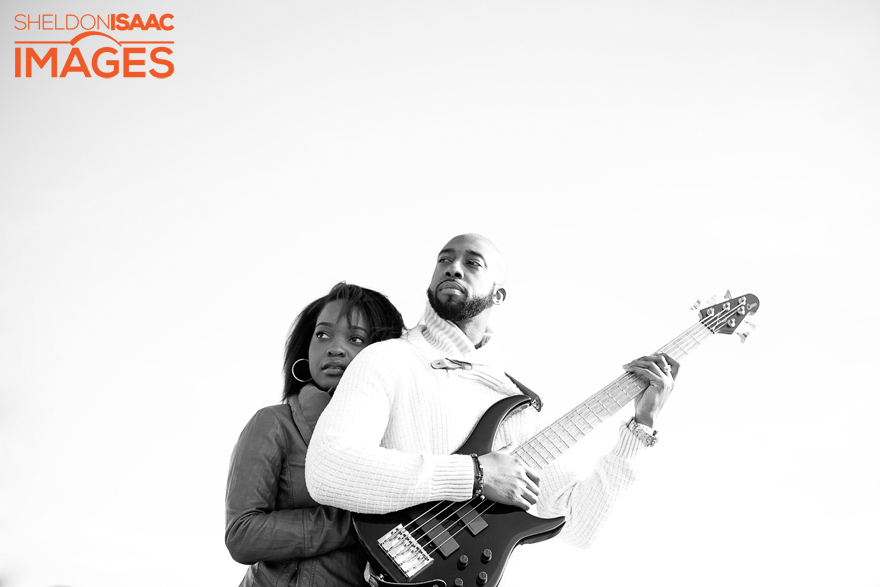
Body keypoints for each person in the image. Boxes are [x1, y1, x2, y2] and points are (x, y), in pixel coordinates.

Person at [305, 234, 679, 576]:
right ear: (430, 282)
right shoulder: (387, 360)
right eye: (445, 260)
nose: (454, 267)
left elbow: (580, 525)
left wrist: (641, 427)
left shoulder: (514, 403)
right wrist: (476, 475)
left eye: (473, 263)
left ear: (498, 295)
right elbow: (329, 470)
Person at [225, 282, 406, 587]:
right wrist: (354, 524)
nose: (335, 348)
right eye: (322, 335)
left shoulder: (399, 434)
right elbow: (241, 535)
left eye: (356, 338)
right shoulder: (272, 424)